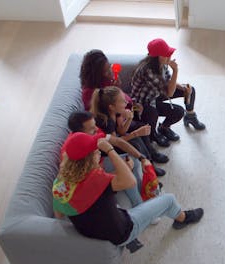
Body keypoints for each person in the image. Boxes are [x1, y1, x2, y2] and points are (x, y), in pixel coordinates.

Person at [53, 132, 204, 250]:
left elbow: (59, 216)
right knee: (169, 199)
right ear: (89, 159)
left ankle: (148, 206)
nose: (98, 152)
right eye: (96, 150)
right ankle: (183, 219)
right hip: (122, 231)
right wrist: (110, 150)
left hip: (91, 231)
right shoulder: (96, 179)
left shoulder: (59, 184)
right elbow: (129, 181)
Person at [79, 49, 168, 164]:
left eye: (109, 67)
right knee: (138, 133)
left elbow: (117, 98)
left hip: (124, 109)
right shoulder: (90, 93)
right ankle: (148, 158)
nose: (109, 72)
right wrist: (123, 113)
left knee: (150, 113)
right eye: (106, 71)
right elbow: (102, 112)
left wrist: (118, 88)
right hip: (117, 118)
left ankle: (151, 145)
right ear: (96, 74)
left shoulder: (107, 80)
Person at [130, 38, 206, 148]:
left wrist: (184, 88)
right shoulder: (148, 71)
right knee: (177, 111)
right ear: (157, 57)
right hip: (143, 104)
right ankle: (153, 135)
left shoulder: (162, 64)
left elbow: (168, 82)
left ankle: (188, 117)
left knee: (190, 89)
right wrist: (176, 70)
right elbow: (169, 92)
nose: (169, 57)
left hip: (156, 93)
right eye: (166, 55)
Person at [66, 111, 150, 207]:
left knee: (133, 159)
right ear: (80, 133)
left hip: (98, 165)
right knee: (127, 171)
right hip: (90, 176)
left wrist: (141, 157)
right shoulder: (73, 151)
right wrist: (122, 169)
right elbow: (89, 180)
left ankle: (143, 192)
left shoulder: (93, 135)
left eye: (95, 125)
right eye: (92, 129)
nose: (97, 129)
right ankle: (139, 205)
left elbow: (118, 141)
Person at [89, 86, 167, 177]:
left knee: (140, 127)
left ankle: (150, 157)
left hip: (113, 140)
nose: (126, 102)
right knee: (136, 142)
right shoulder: (106, 122)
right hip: (105, 149)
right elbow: (115, 142)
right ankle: (148, 166)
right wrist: (136, 133)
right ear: (111, 107)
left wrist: (129, 118)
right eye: (122, 101)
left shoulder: (114, 112)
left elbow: (121, 131)